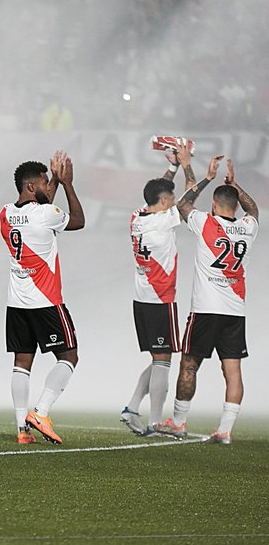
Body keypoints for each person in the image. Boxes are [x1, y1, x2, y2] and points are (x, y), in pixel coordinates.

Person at [155, 148, 259, 445]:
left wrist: (207, 177)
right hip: (235, 311)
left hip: (205, 309)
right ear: (236, 205)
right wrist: (235, 185)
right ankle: (225, 431)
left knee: (189, 364)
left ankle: (178, 423)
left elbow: (183, 203)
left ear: (214, 203)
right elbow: (254, 211)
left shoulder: (206, 223)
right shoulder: (247, 228)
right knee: (233, 369)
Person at [0, 151, 84, 445]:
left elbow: (41, 209)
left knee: (22, 361)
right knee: (69, 356)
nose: (51, 187)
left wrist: (54, 183)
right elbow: (77, 220)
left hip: (17, 302)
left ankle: (22, 430)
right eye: (46, 183)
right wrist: (68, 183)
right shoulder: (47, 214)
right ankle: (41, 412)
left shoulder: (6, 213)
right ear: (32, 186)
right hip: (46, 301)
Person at [120, 151, 193, 436]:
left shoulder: (138, 216)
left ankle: (131, 408)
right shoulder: (162, 221)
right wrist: (189, 166)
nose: (173, 202)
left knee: (157, 357)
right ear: (164, 202)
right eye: (169, 199)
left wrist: (172, 168)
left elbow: (159, 192)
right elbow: (189, 198)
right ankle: (155, 421)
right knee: (163, 359)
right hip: (160, 298)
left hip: (141, 298)